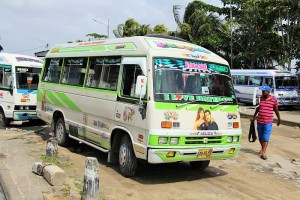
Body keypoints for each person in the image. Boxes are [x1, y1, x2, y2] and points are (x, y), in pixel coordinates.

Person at [252, 85, 281, 160]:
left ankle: (263, 153)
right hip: (260, 121)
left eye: (264, 91)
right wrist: (254, 117)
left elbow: (276, 110)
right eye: (262, 91)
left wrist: (279, 119)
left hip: (268, 122)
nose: (262, 92)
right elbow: (258, 109)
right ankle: (262, 149)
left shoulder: (274, 100)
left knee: (265, 137)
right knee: (260, 137)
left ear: (268, 92)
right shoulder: (260, 98)